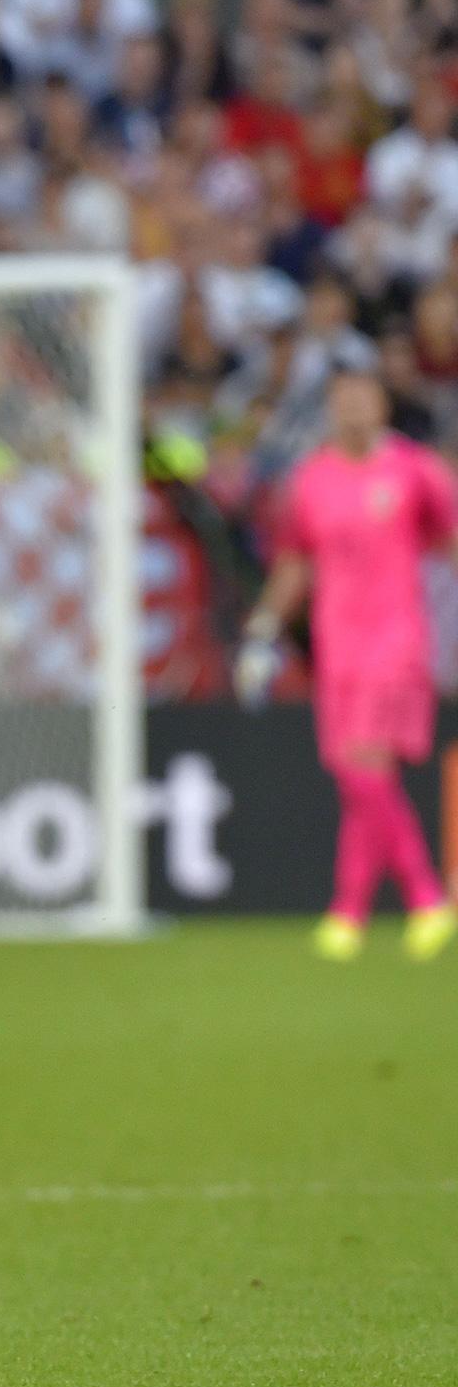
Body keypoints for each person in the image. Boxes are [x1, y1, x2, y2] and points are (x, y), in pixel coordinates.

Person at [237, 370, 458, 960]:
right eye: (345, 401)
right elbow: (294, 564)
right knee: (360, 776)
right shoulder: (310, 480)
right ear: (332, 410)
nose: (356, 409)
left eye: (366, 398)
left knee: (364, 767)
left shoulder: (416, 471)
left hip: (398, 641)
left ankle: (425, 894)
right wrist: (263, 630)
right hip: (337, 647)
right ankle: (349, 913)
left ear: (383, 404)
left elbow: (449, 540)